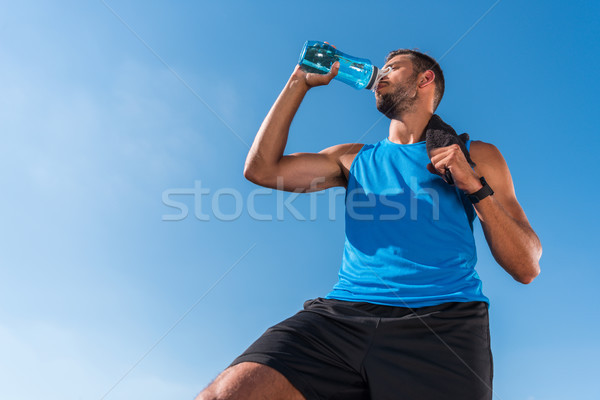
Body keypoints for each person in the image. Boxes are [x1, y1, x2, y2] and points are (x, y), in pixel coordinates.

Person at [196, 48, 542, 400]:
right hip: (344, 316)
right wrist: (298, 82)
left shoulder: (476, 155)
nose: (381, 73)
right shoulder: (352, 157)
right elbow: (262, 169)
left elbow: (526, 266)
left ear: (425, 79)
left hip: (442, 325)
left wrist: (474, 186)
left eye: (393, 67)